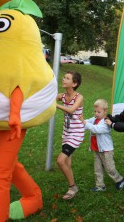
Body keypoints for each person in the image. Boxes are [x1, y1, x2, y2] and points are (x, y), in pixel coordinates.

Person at [80, 99, 124, 192]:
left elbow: (96, 129)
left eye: (99, 112)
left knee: (109, 168)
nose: (96, 113)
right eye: (95, 111)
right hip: (96, 149)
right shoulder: (95, 119)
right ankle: (100, 186)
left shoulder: (106, 122)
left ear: (105, 111)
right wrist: (80, 121)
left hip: (106, 150)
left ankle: (120, 180)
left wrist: (84, 123)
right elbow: (87, 122)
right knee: (97, 168)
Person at [56, 71, 84, 200]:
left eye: (67, 78)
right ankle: (71, 184)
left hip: (76, 134)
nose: (63, 79)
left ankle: (73, 187)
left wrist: (55, 105)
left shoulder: (79, 97)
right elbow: (50, 98)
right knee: (67, 162)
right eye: (64, 77)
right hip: (66, 132)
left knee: (60, 161)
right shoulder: (62, 96)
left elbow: (72, 110)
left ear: (74, 83)